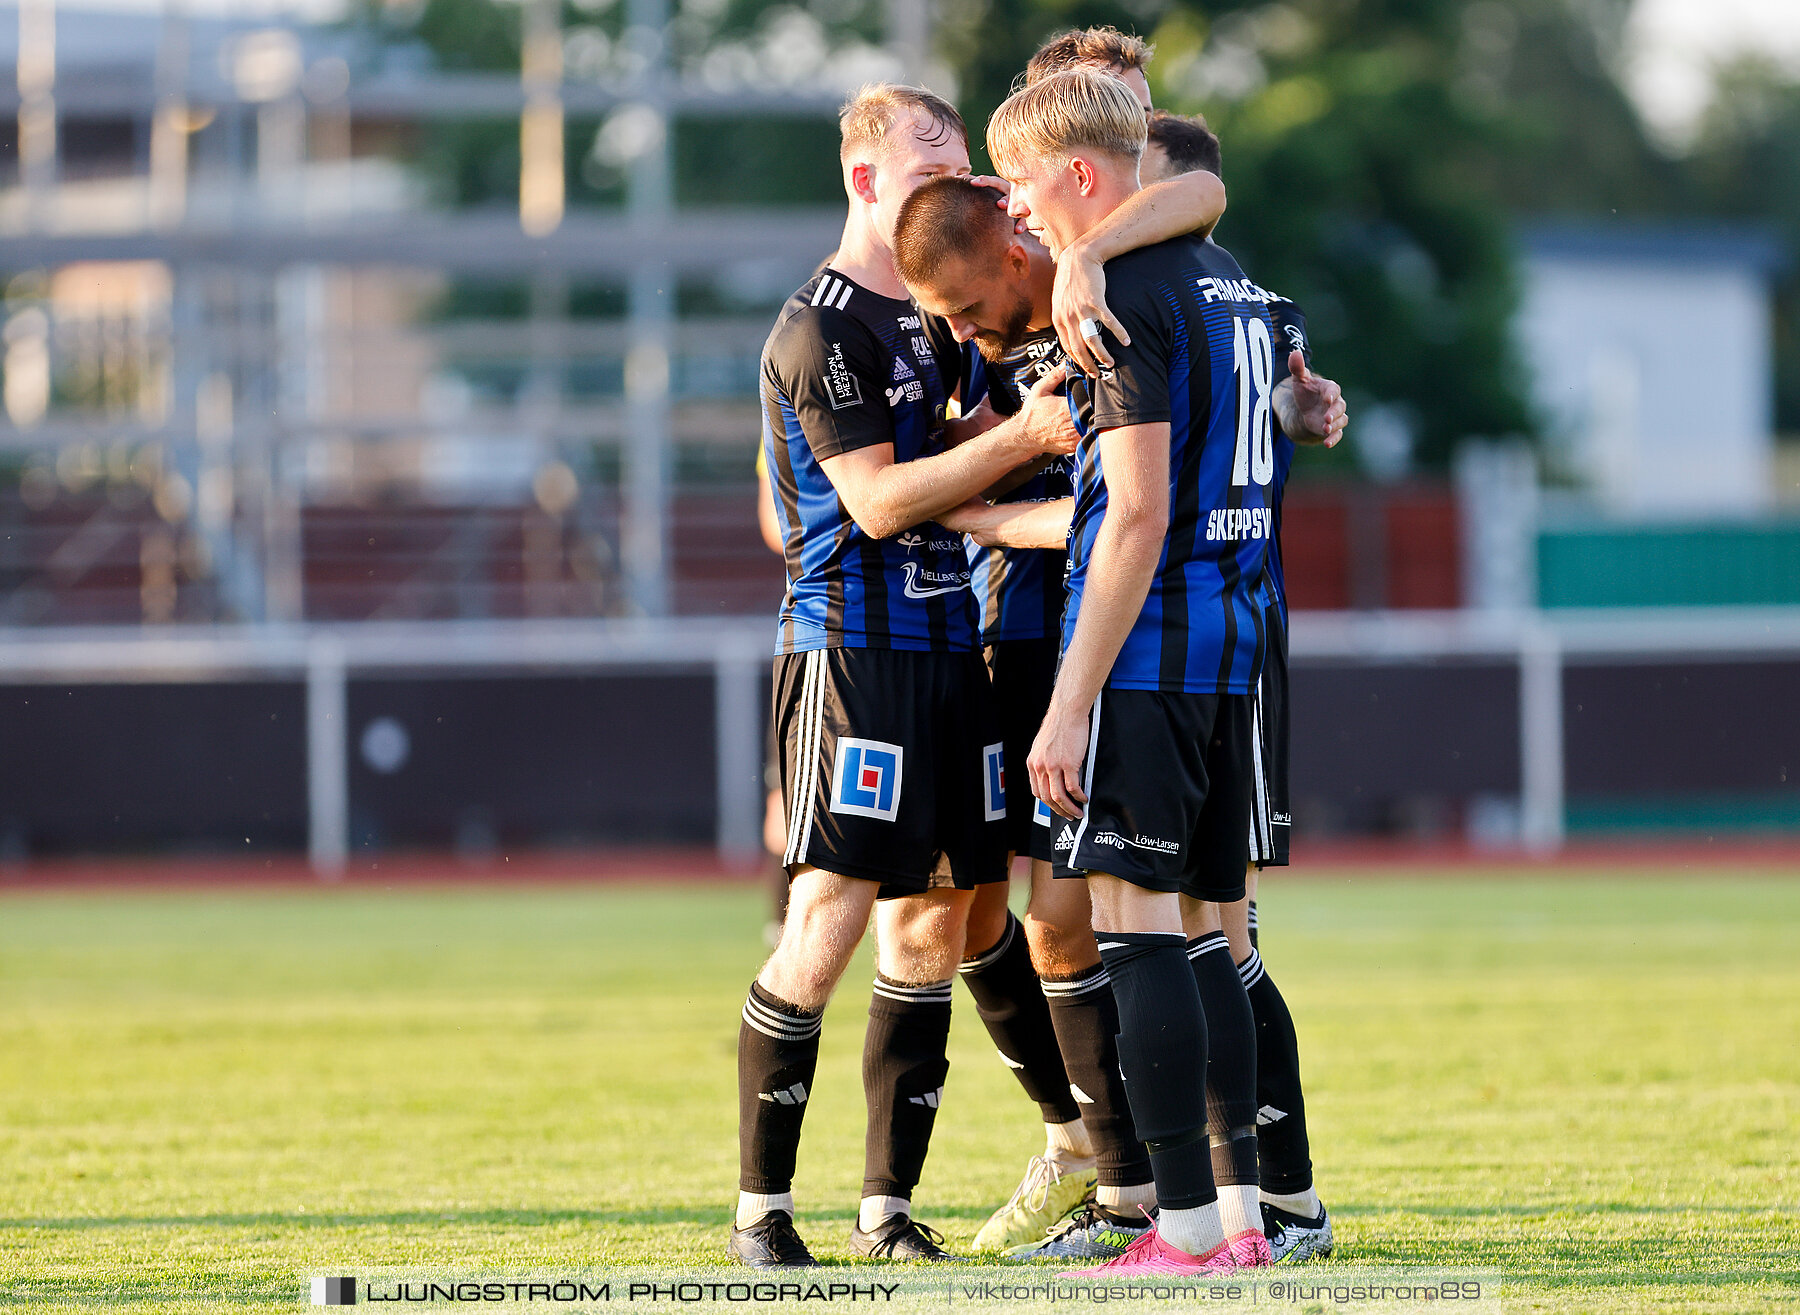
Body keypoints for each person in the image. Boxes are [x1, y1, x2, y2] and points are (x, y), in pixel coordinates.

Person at [732, 82, 1079, 1269]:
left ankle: (886, 1212)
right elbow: (874, 504)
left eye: (958, 162)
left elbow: (960, 476)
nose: (951, 178)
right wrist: (1026, 444)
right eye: (926, 159)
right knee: (828, 918)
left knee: (937, 923)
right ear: (865, 179)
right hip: (853, 656)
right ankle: (762, 1216)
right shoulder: (820, 328)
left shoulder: (939, 314)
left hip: (951, 651)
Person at [983, 66, 1282, 1277]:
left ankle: (1185, 1231)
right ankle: (1247, 1217)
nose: (1013, 212)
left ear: (1083, 176)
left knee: (1138, 927)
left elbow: (1138, 512)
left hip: (1151, 651)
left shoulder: (1111, 301)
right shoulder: (1231, 281)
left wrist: (1066, 703)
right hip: (1236, 647)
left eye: (1021, 184)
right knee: (1213, 940)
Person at [1141, 108, 1341, 1265]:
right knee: (1131, 929)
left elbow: (1203, 195)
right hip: (1148, 638)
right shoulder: (1113, 282)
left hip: (1191, 639)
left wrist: (1298, 406)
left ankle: (1266, 1200)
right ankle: (1152, 1193)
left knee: (1210, 931)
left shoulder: (1195, 283)